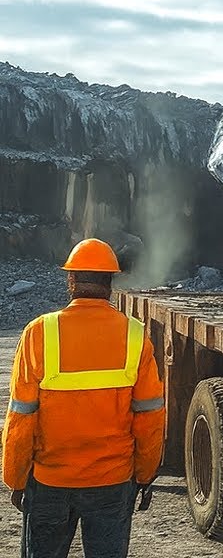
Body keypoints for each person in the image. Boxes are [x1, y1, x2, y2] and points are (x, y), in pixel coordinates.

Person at [3, 239, 165, 558]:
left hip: (50, 481)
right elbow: (149, 417)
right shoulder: (134, 335)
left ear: (71, 280)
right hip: (112, 482)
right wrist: (145, 475)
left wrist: (15, 478)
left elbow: (21, 417)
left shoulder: (38, 333)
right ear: (110, 283)